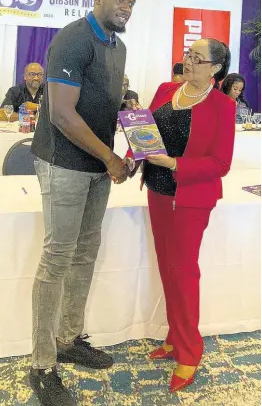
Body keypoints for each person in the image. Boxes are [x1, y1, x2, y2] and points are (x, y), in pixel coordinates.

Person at [30, 0, 136, 406]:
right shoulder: (74, 38)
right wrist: (110, 157)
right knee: (57, 256)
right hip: (63, 163)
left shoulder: (118, 45)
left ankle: (69, 339)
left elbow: (102, 104)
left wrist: (132, 120)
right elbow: (62, 115)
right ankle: (41, 365)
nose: (126, 7)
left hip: (97, 166)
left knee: (86, 251)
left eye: (131, 2)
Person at [125, 38, 236, 392]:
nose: (188, 61)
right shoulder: (165, 89)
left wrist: (174, 163)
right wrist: (132, 156)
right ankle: (175, 336)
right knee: (166, 266)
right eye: (188, 55)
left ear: (216, 68)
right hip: (158, 191)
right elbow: (145, 132)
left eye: (197, 58)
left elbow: (221, 164)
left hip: (190, 198)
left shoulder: (222, 106)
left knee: (184, 272)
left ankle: (190, 350)